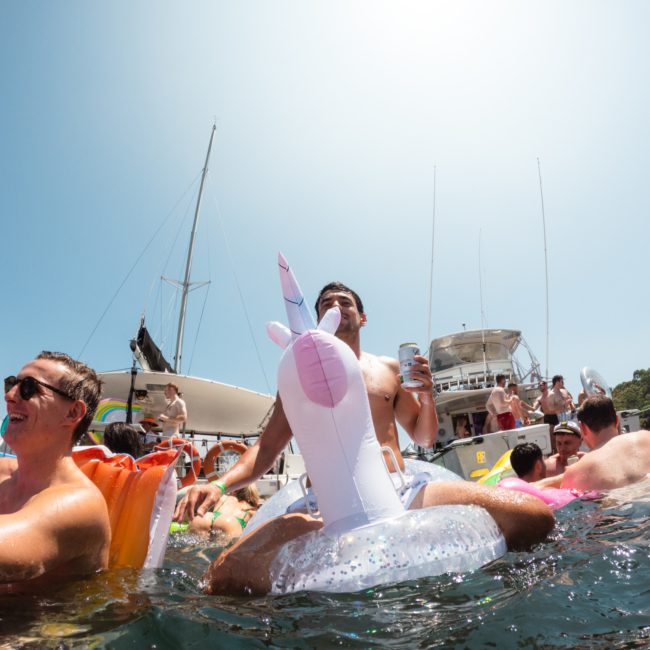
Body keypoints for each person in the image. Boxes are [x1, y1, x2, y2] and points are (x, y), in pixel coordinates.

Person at [174, 282, 554, 595]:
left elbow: (422, 438)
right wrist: (220, 484)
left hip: (403, 486)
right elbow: (266, 448)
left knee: (532, 515)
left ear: (363, 316)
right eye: (326, 304)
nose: (336, 307)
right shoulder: (298, 375)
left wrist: (426, 396)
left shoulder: (389, 369)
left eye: (345, 302)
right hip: (324, 501)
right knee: (220, 579)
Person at [1, 351, 111, 584]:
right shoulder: (4, 471)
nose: (10, 396)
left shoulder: (80, 503)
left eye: (28, 387)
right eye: (11, 384)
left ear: (72, 413)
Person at [183, 485, 260, 540]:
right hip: (230, 523)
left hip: (205, 518)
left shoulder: (222, 498)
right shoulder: (251, 510)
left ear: (235, 491)